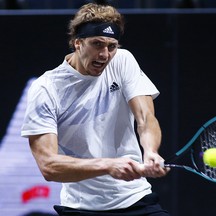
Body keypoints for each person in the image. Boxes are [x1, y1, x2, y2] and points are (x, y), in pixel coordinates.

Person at [21, 3, 170, 216]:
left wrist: (151, 152)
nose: (105, 54)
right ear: (77, 43)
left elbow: (145, 118)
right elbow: (48, 165)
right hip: (81, 208)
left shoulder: (123, 61)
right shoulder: (46, 88)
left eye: (111, 46)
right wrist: (108, 165)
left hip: (136, 199)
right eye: (97, 44)